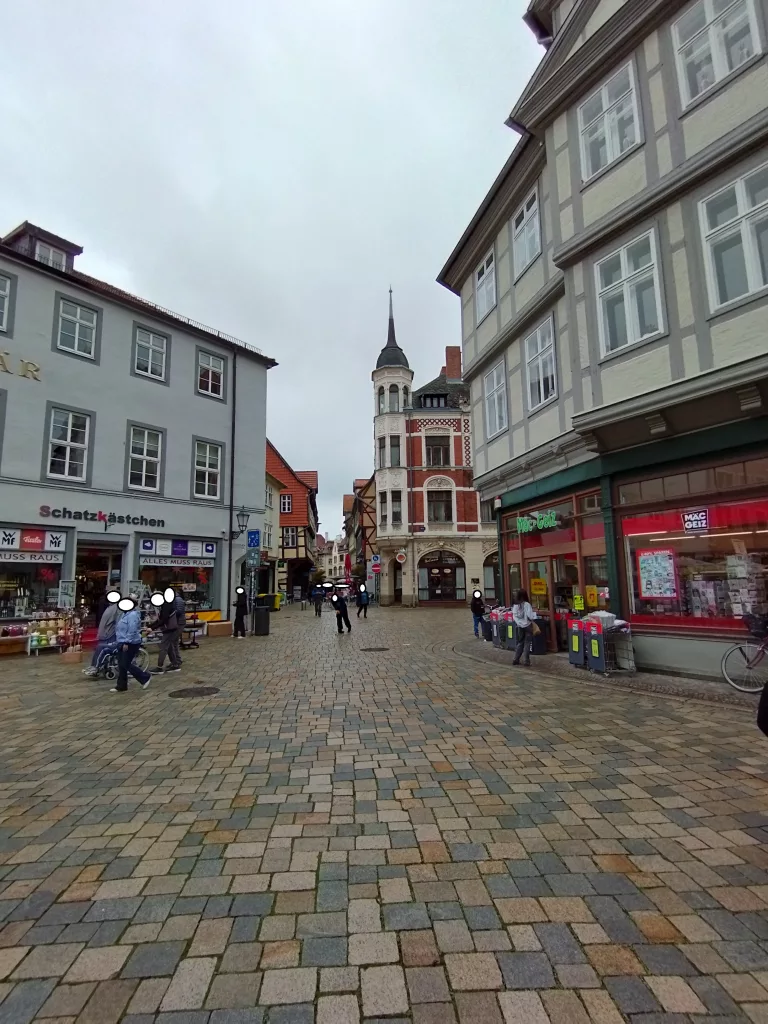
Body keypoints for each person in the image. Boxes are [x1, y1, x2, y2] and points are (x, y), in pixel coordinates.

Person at [112, 599, 151, 692]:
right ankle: (121, 685)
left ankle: (144, 677)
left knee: (125, 663)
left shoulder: (133, 615)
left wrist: (127, 642)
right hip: (121, 641)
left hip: (131, 643)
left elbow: (132, 630)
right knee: (121, 664)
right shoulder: (124, 614)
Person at [83, 597, 122, 676]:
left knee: (103, 650)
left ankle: (96, 668)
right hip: (105, 634)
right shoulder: (110, 607)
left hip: (110, 634)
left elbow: (118, 624)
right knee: (99, 649)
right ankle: (96, 667)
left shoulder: (116, 609)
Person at [151, 590, 180, 674]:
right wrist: (151, 626)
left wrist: (152, 627)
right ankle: (175, 665)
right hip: (170, 629)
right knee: (169, 647)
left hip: (169, 629)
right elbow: (161, 619)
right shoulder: (166, 605)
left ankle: (159, 667)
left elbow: (164, 619)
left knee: (163, 648)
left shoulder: (166, 605)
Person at [511, 588, 536, 667]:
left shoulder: (515, 605)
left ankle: (516, 659)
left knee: (520, 642)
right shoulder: (527, 604)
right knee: (527, 643)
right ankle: (526, 661)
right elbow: (530, 616)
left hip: (519, 626)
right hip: (528, 625)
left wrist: (519, 623)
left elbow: (514, 616)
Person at [172, 589, 186, 664]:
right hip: (179, 622)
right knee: (174, 641)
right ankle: (177, 659)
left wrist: (170, 614)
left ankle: (176, 660)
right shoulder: (177, 599)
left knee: (173, 642)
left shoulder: (177, 599)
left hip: (179, 622)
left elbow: (179, 611)